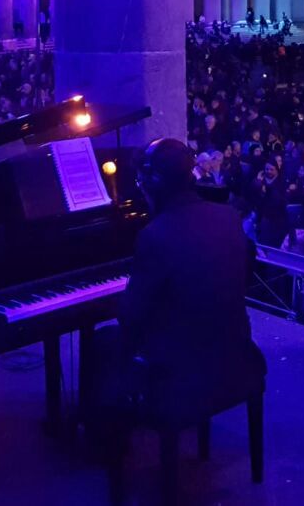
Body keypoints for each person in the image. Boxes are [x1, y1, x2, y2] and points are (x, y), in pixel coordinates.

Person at [95, 139, 265, 436]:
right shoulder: (227, 216)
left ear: (154, 181)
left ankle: (107, 443)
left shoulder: (156, 234)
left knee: (104, 341)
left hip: (181, 363)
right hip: (231, 342)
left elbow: (130, 318)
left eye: (141, 180)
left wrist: (104, 296)